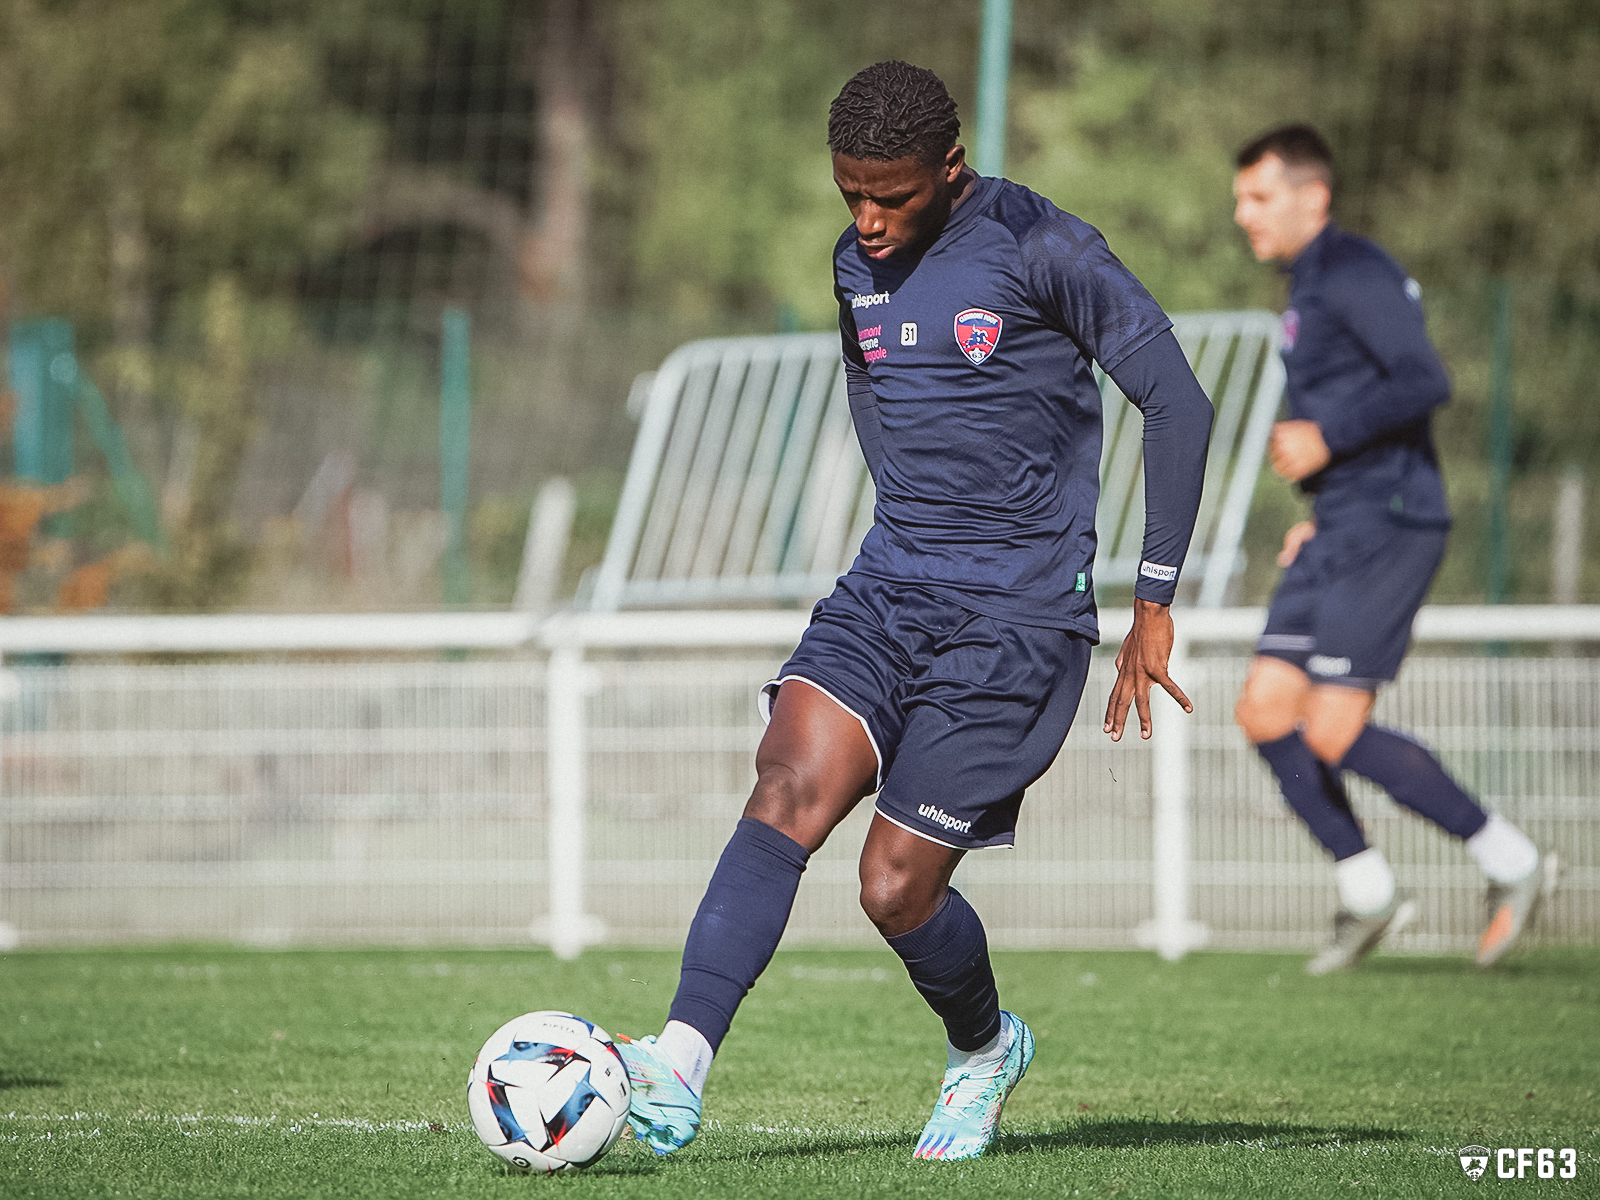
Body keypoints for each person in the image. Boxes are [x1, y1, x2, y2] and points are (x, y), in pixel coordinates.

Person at [612, 61, 1213, 1162]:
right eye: (851, 196)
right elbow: (871, 383)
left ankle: (983, 1050)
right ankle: (675, 1066)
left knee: (891, 887)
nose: (870, 222)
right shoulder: (854, 263)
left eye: (891, 196)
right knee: (787, 781)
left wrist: (1153, 600)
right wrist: (905, 528)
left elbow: (1177, 399)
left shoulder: (1044, 249)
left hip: (1018, 618)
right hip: (890, 587)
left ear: (950, 166)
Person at [1229, 124, 1558, 976]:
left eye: (1259, 197)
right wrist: (1317, 500)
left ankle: (1512, 862)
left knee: (1334, 729)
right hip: (1340, 521)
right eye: (1241, 198)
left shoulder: (1356, 271)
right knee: (1266, 710)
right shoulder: (1308, 283)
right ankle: (1370, 891)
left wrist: (1326, 441)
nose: (1243, 215)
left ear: (1315, 197)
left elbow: (1423, 379)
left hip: (1392, 521)